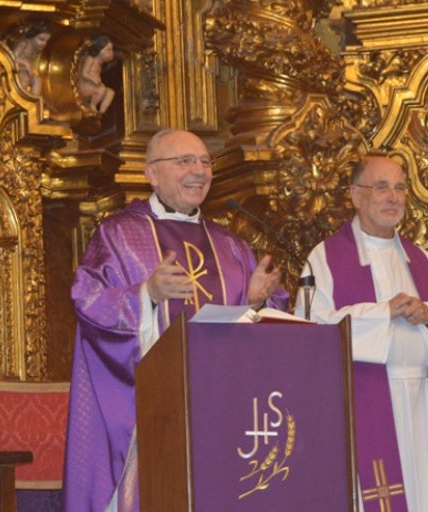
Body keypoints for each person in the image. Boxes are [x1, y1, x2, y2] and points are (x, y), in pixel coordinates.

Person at [63, 128, 288, 512]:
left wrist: (255, 300)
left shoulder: (231, 244)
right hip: (150, 410)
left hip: (225, 410)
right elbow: (89, 301)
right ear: (151, 174)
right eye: (184, 161)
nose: (199, 171)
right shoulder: (119, 234)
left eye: (204, 161)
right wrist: (146, 295)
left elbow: (270, 324)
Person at [295, 155, 428, 512]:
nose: (393, 197)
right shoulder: (324, 258)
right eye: (382, 187)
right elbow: (312, 330)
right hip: (364, 397)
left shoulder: (418, 259)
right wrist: (383, 312)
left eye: (400, 187)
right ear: (356, 195)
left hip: (419, 398)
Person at [11, 20, 51, 97]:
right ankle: (20, 101)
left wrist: (30, 71)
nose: (44, 43)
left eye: (46, 41)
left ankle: (33, 102)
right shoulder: (24, 44)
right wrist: (24, 62)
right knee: (24, 80)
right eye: (41, 39)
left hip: (26, 71)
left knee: (38, 80)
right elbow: (12, 57)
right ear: (32, 36)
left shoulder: (37, 49)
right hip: (16, 70)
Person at [77, 34, 116, 114]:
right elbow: (84, 73)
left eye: (111, 50)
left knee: (110, 92)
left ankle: (101, 111)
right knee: (101, 90)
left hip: (94, 86)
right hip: (85, 85)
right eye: (108, 50)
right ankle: (92, 106)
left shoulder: (100, 64)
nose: (111, 53)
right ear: (99, 49)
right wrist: (93, 80)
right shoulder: (90, 59)